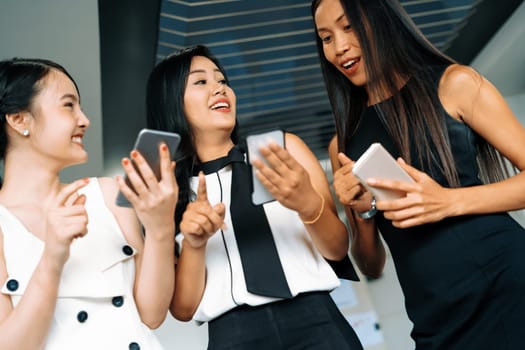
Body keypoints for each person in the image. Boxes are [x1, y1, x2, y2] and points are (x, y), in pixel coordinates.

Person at [311, 0, 525, 349]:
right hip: (433, 313)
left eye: (348, 27)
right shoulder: (343, 145)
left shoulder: (455, 83)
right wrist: (363, 212)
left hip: (504, 283)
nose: (339, 47)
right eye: (326, 37)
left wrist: (447, 201)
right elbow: (371, 265)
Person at [145, 44, 363, 350]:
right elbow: (183, 309)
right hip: (233, 337)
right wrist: (194, 243)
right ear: (171, 103)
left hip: (316, 324)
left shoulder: (281, 151)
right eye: (201, 82)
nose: (219, 89)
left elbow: (337, 249)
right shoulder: (168, 193)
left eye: (222, 81)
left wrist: (307, 204)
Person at [0, 58, 178, 349]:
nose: (84, 120)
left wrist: (160, 227)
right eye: (68, 105)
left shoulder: (107, 194)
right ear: (19, 119)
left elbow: (151, 314)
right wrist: (53, 257)